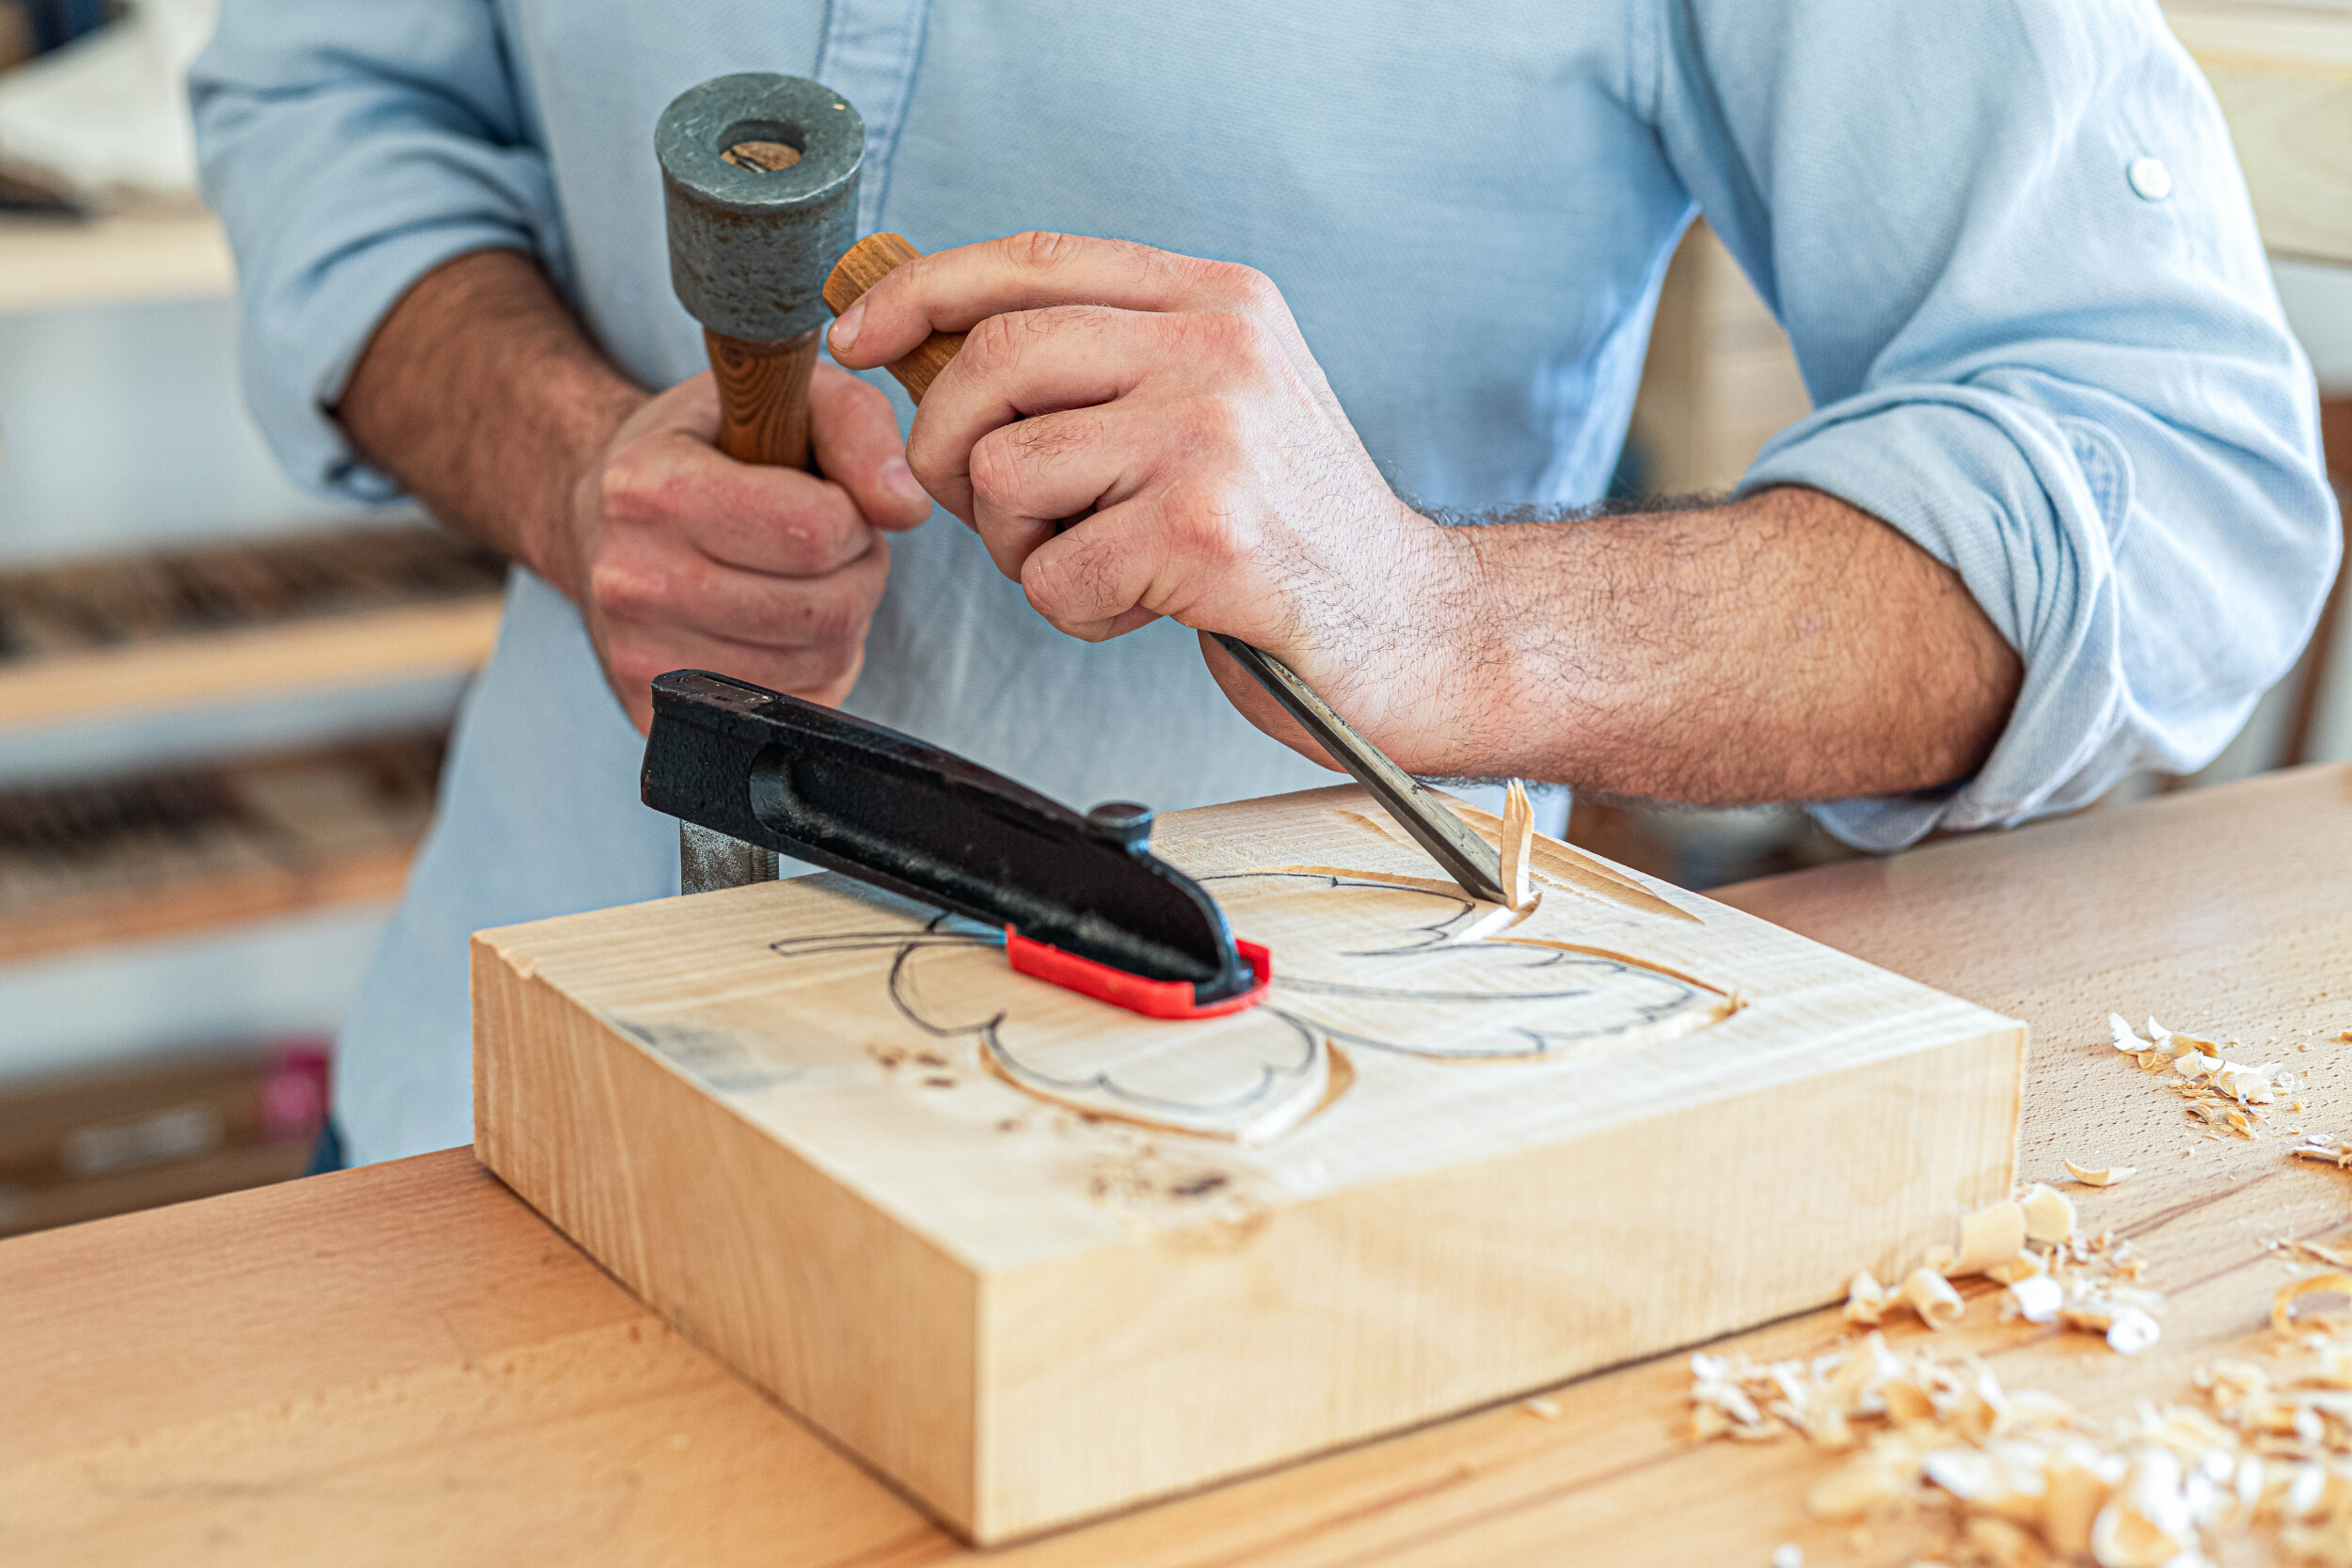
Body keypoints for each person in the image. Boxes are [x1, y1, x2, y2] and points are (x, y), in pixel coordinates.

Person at [191, 1, 2338, 1169]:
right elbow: (330, 97)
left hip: (1269, 1206)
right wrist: (569, 460)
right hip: (509, 1107)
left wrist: (1439, 613)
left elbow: (2167, 461)